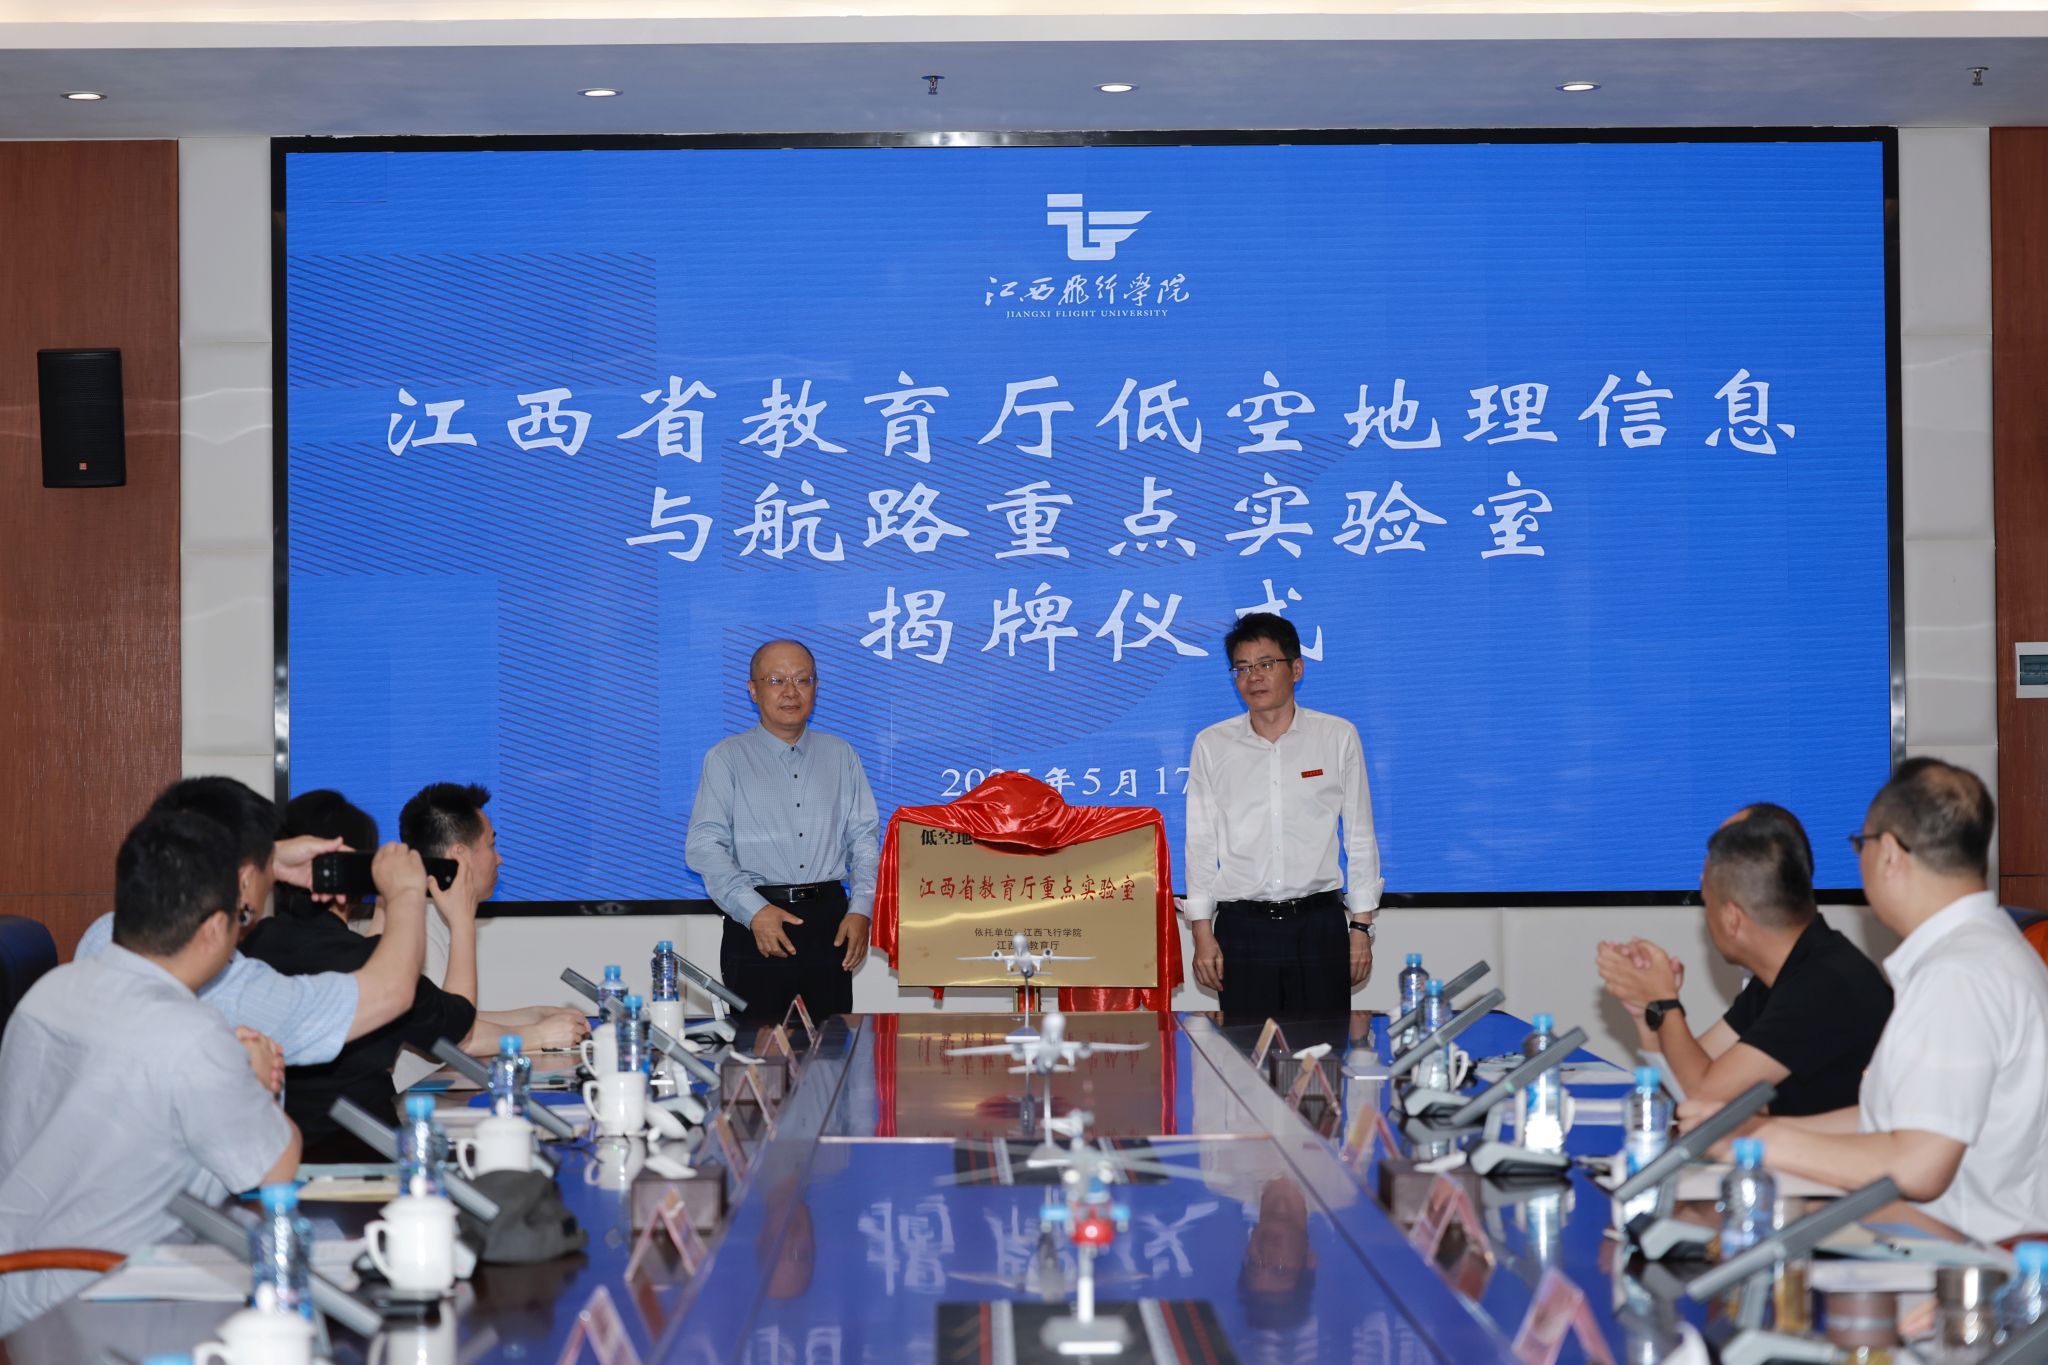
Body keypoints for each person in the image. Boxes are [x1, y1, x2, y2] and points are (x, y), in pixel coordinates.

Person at [1695, 759, 2048, 1243]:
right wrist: (1753, 1131)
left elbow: (1919, 1166)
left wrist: (1756, 1141)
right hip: (1941, 1237)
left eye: (1862, 844)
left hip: (1965, 1260)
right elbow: (1890, 1119)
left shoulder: (1958, 976)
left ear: (1890, 855)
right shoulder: (1982, 951)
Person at [0, 811, 315, 1334]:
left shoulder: (48, 991)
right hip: (112, 1303)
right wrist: (256, 1081)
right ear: (213, 930)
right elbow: (275, 1171)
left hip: (17, 1297)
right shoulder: (192, 1033)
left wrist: (229, 1070)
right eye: (240, 917)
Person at [73, 776, 429, 1066]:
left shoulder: (102, 937)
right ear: (243, 881)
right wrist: (405, 893)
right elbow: (390, 992)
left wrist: (268, 859)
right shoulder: (235, 995)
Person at [1597, 803, 1892, 1115]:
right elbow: (1678, 1084)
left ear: (1732, 919)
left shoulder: (1824, 984)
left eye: (1706, 903)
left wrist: (1664, 1002)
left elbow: (1702, 1095)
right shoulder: (1781, 974)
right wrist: (1647, 1011)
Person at [1182, 612, 1381, 1023]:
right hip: (1242, 929)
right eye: (1242, 668)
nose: (1253, 677)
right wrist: (1202, 932)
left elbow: (1359, 836)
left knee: (1323, 1054)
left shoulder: (1337, 736)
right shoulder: (1211, 744)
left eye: (1266, 663)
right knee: (1245, 1053)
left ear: (1297, 668)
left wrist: (1360, 928)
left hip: (1319, 926)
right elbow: (1200, 844)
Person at [686, 639, 879, 1021]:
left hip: (830, 923)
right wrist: (755, 911)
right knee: (757, 1049)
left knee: (830, 1047)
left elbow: (864, 840)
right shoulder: (727, 758)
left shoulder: (841, 754)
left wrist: (861, 910)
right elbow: (704, 846)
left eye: (802, 679)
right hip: (757, 921)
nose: (791, 691)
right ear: (753, 690)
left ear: (816, 687)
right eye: (776, 680)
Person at [393, 782, 589, 1049]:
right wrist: (539, 1035)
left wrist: (535, 1015)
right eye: (491, 845)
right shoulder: (420, 926)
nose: (499, 859)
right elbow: (448, 1038)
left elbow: (450, 1015)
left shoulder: (428, 912)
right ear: (460, 856)